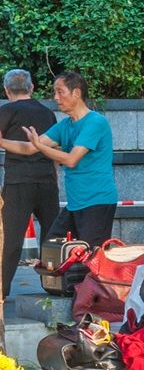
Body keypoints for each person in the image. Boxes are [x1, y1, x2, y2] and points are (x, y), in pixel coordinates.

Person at [3, 72, 117, 248]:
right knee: (52, 249)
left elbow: (71, 160)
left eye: (60, 92)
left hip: (98, 202)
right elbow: (29, 148)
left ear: (76, 93)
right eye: (54, 92)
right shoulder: (64, 126)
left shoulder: (95, 122)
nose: (55, 97)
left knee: (91, 258)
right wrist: (1, 141)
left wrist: (40, 147)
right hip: (75, 204)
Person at [0, 70, 60, 299]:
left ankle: (2, 290)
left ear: (7, 90)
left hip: (18, 182)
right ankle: (53, 285)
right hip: (46, 181)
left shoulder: (6, 111)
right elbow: (55, 148)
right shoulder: (47, 113)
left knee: (10, 239)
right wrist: (54, 178)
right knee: (52, 236)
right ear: (32, 88)